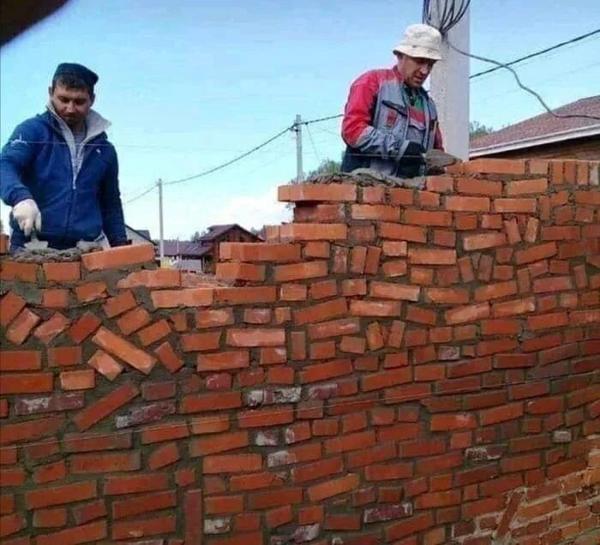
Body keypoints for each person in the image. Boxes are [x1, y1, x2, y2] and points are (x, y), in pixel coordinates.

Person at [0, 62, 127, 252]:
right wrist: (20, 198)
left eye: (79, 101)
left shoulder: (104, 150)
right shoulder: (31, 131)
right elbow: (5, 165)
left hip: (85, 251)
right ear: (51, 93)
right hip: (30, 248)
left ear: (92, 99)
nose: (70, 108)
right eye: (63, 99)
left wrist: (121, 248)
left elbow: (111, 205)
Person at [341, 24, 444, 178]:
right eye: (419, 61)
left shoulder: (429, 107)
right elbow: (353, 130)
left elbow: (437, 152)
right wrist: (399, 148)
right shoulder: (372, 82)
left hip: (411, 191)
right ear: (400, 55)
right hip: (366, 187)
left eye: (430, 64)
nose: (425, 71)